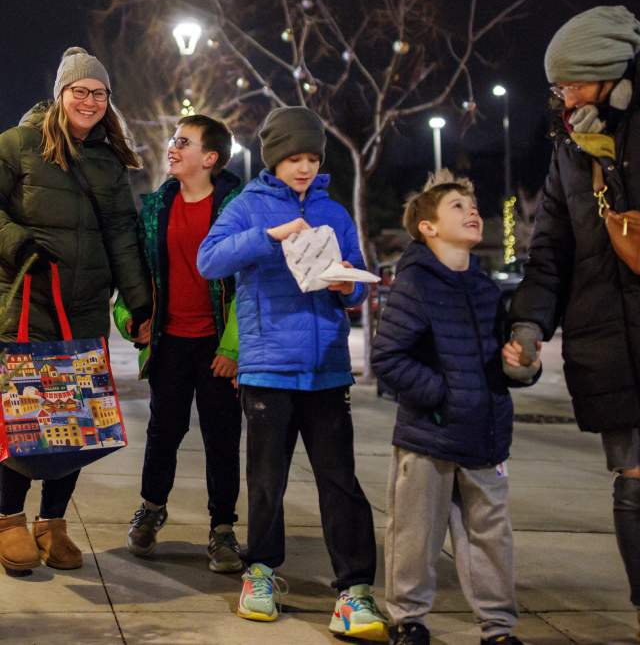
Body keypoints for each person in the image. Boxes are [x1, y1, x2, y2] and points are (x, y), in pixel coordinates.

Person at [197, 106, 387, 641]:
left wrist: (346, 286)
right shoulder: (248, 204)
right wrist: (270, 236)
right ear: (273, 158)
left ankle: (354, 589)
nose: (303, 167)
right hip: (267, 368)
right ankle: (260, 573)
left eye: (310, 158)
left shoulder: (333, 210)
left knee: (340, 481)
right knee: (266, 479)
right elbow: (208, 260)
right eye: (292, 158)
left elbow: (356, 276)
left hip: (326, 368)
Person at [503, 4, 640, 630]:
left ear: (608, 72)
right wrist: (529, 327)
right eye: (558, 86)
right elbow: (549, 250)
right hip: (607, 344)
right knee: (633, 480)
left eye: (573, 83)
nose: (563, 96)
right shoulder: (569, 147)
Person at [0, 46, 151, 573]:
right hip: (28, 305)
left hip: (85, 309)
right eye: (79, 91)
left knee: (75, 422)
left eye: (99, 93)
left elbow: (123, 237)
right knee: (29, 416)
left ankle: (53, 523)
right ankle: (9, 521)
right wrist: (18, 243)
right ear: (60, 95)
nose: (89, 100)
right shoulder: (17, 146)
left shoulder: (108, 161)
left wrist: (139, 302)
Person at [372, 170, 536, 645]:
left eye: (473, 205)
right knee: (414, 535)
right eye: (458, 207)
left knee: (491, 537)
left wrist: (519, 366)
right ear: (427, 226)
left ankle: (499, 629)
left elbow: (498, 359)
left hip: (485, 435)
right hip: (430, 437)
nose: (472, 213)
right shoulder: (416, 283)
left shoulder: (486, 290)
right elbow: (388, 358)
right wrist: (444, 398)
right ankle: (408, 620)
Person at [114, 114, 243, 572]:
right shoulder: (155, 208)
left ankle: (223, 530)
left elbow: (248, 286)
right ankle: (151, 509)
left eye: (183, 141)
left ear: (209, 158)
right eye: (173, 138)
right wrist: (132, 319)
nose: (172, 146)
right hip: (169, 343)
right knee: (163, 432)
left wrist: (232, 348)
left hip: (215, 347)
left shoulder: (236, 208)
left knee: (222, 437)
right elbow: (133, 276)